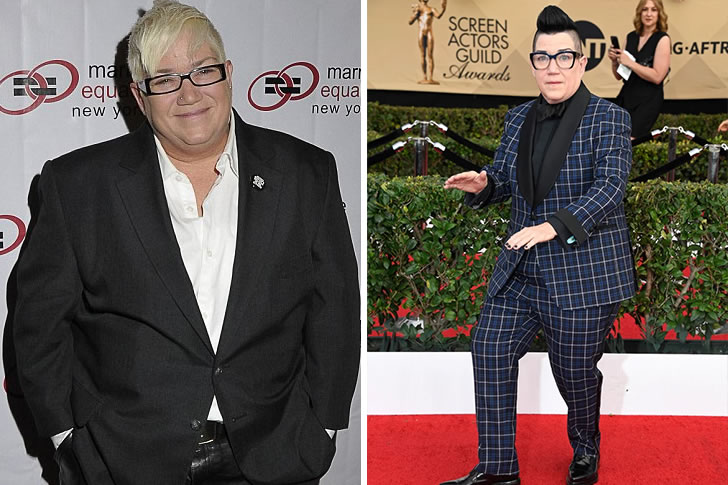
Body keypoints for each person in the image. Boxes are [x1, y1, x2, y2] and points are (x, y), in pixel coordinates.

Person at [12, 1, 360, 484]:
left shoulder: (306, 172)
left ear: (228, 74)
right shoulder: (77, 184)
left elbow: (334, 309)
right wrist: (66, 437)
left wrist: (324, 426)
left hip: (274, 454)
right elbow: (39, 323)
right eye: (165, 79)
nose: (188, 93)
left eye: (203, 70)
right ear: (139, 96)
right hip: (121, 460)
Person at [441, 6, 635, 485]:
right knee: (489, 348)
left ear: (581, 61)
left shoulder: (610, 118)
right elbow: (505, 177)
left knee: (573, 372)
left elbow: (610, 187)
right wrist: (484, 184)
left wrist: (554, 226)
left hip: (581, 272)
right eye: (542, 57)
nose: (552, 67)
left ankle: (585, 447)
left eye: (564, 57)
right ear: (532, 64)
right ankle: (498, 469)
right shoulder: (518, 117)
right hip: (521, 269)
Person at [608, 0, 670, 138]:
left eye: (653, 10)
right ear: (639, 13)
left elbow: (658, 77)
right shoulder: (631, 37)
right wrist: (615, 61)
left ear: (659, 14)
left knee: (630, 141)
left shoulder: (662, 39)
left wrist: (630, 63)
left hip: (648, 100)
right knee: (615, 139)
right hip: (627, 96)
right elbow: (619, 76)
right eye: (645, 9)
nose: (649, 14)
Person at [408, 0, 447, 84]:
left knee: (430, 55)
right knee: (423, 55)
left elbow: (438, 16)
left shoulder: (432, 9)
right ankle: (424, 77)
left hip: (429, 32)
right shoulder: (418, 9)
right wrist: (415, 14)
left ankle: (431, 78)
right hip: (421, 33)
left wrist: (443, 9)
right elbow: (410, 22)